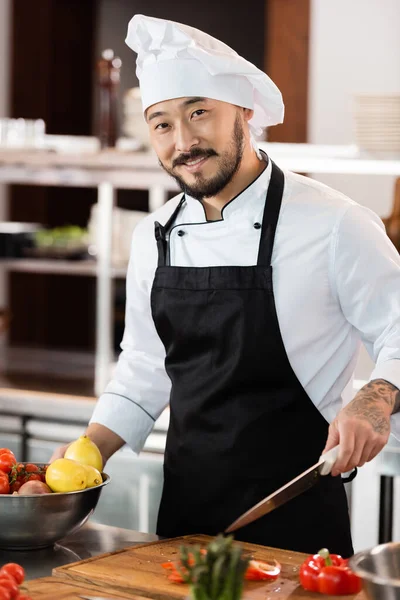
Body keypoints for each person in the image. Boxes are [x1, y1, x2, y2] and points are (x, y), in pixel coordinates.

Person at [52, 14, 400, 557]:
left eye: (199, 113)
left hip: (299, 523)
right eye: (162, 123)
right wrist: (86, 452)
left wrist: (375, 400)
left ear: (243, 112)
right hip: (186, 519)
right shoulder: (155, 236)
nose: (184, 141)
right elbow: (145, 365)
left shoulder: (336, 224)